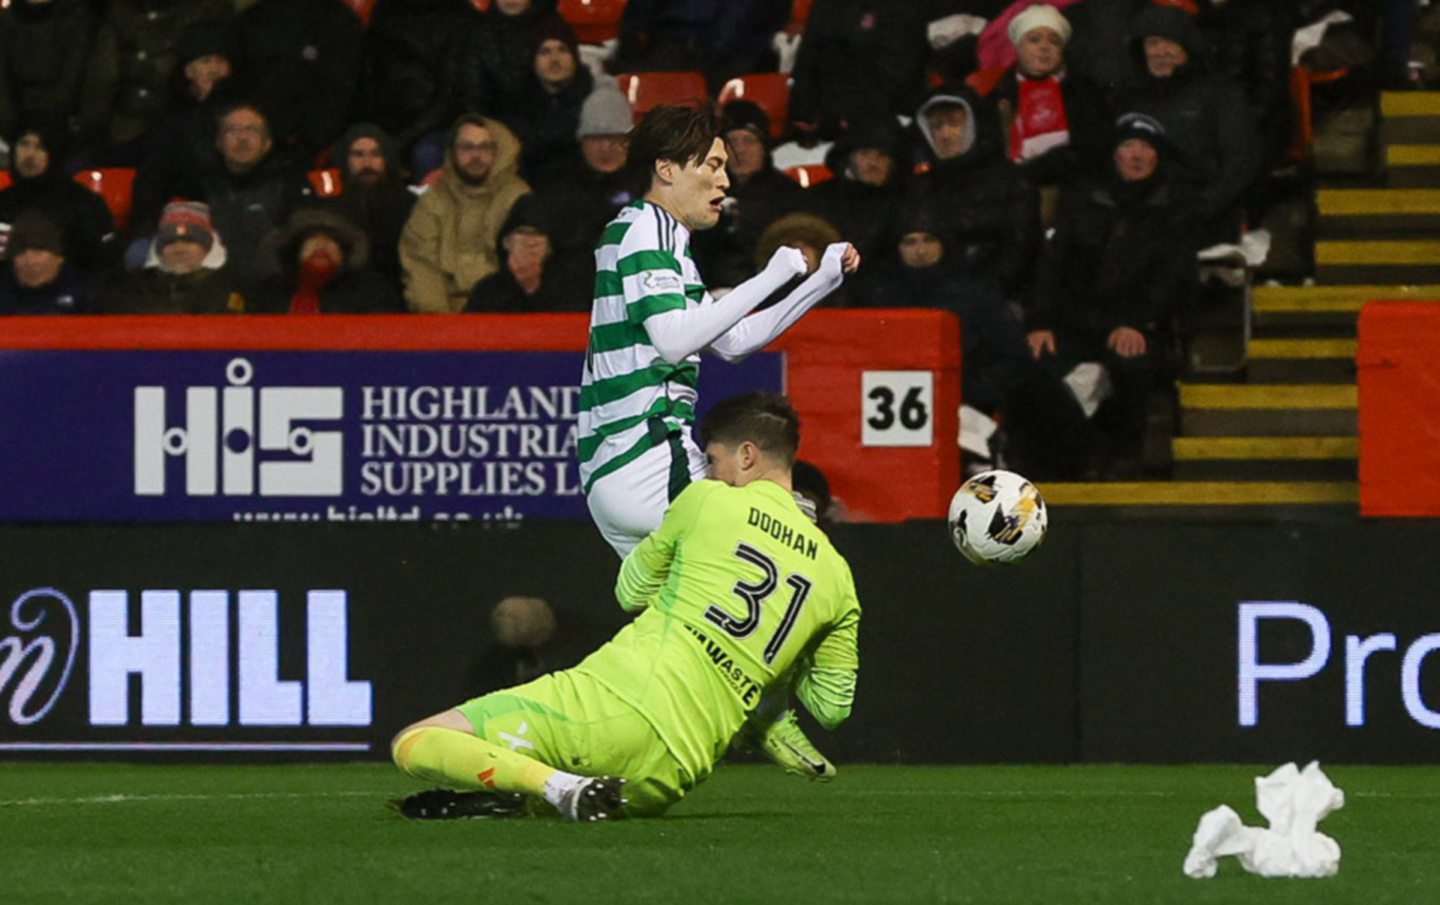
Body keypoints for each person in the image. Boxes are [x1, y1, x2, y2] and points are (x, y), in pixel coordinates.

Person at [392, 392, 862, 820]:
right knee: (554, 776)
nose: (710, 472)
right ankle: (540, 792)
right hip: (669, 776)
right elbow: (831, 709)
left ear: (746, 455)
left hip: (607, 709)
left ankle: (556, 787)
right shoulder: (837, 577)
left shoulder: (707, 502)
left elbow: (631, 593)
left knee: (417, 742)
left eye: (713, 459)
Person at [581, 104, 859, 782]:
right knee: (783, 534)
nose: (723, 180)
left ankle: (630, 739)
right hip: (646, 455)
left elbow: (729, 340)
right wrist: (771, 273)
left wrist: (816, 283)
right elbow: (678, 338)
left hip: (619, 469)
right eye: (710, 164)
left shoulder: (666, 241)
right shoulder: (642, 226)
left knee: (684, 626)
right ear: (665, 169)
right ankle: (790, 698)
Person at [1009, 113, 1195, 480]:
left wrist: (1138, 322)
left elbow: (1172, 278)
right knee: (1031, 365)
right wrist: (1041, 322)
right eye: (1128, 146)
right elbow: (1053, 264)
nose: (1136, 155)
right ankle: (1061, 457)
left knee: (1131, 361)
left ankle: (1126, 454)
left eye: (1145, 147)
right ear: (1114, 153)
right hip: (1075, 321)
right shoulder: (1081, 199)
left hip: (1138, 322)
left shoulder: (1175, 209)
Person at [1118, 3, 1259, 247]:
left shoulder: (1220, 94)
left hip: (1200, 211)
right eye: (1152, 43)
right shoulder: (1127, 98)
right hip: (1137, 211)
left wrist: (1203, 207)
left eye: (1170, 43)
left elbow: (1241, 161)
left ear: (1188, 47)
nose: (1160, 51)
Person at [907, 83, 1040, 300]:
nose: (945, 134)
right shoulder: (920, 187)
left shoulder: (1011, 180)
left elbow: (1019, 253)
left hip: (994, 298)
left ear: (975, 125)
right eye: (936, 126)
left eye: (954, 123)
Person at [400, 114, 531, 313]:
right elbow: (420, 266)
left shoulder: (519, 198)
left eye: (485, 147)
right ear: (453, 152)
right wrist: (440, 326)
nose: (476, 156)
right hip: (443, 317)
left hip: (503, 315)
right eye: (467, 147)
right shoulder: (433, 200)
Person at [691, 100, 803, 289]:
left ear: (764, 147)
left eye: (749, 141)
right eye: (732, 142)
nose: (740, 150)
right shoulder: (702, 192)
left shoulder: (789, 194)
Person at [0, 122, 118, 275]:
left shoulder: (83, 203)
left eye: (40, 148)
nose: (29, 155)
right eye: (24, 144)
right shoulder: (4, 200)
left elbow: (102, 262)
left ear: (55, 154)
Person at [248, 204, 404, 314]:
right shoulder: (269, 293)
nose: (322, 245)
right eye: (312, 238)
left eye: (332, 239)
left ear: (345, 252)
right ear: (296, 249)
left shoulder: (372, 293)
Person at [100, 200, 244, 314]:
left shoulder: (231, 287)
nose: (179, 249)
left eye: (190, 241)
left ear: (208, 248)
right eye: (170, 242)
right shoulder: (129, 290)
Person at [465, 194, 590, 313]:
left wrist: (532, 289)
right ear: (506, 242)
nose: (531, 242)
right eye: (523, 232)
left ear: (550, 247)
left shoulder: (571, 290)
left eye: (539, 234)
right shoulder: (486, 291)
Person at [509, 18, 593, 183]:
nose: (554, 59)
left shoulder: (594, 100)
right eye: (545, 52)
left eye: (562, 50)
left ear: (575, 56)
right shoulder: (516, 103)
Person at [330, 123, 415, 282]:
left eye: (375, 154)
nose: (367, 163)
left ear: (386, 160)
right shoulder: (330, 206)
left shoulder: (409, 205)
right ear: (346, 160)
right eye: (358, 154)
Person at [0, 212, 96, 315]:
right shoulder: (4, 295)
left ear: (59, 258)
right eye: (20, 253)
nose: (30, 262)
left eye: (38, 252)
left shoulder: (87, 296)